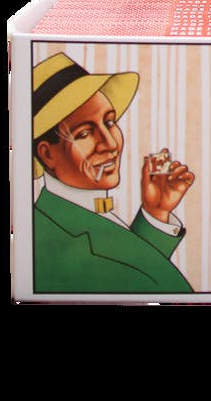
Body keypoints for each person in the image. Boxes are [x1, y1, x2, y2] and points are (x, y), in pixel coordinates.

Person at [31, 53, 195, 294]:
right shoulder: (48, 239)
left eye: (109, 122)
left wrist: (156, 213)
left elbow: (127, 266)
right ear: (47, 154)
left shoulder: (71, 216)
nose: (109, 143)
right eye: (84, 133)